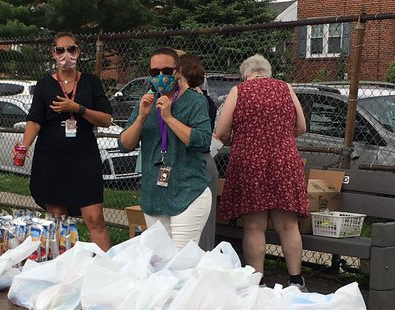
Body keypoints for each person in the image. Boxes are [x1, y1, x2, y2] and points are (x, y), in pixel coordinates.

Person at [214, 54, 309, 287]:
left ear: (245, 74)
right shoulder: (286, 88)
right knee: (288, 225)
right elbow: (302, 126)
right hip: (284, 161)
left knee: (254, 226)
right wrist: (281, 139)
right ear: (268, 72)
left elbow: (222, 132)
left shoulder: (239, 91)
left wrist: (239, 141)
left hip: (249, 163)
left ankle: (258, 283)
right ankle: (296, 281)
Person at [15, 31, 113, 250]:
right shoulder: (44, 84)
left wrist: (77, 108)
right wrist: (24, 146)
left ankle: (109, 269)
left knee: (94, 217)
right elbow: (35, 119)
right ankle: (62, 268)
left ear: (78, 52)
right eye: (61, 50)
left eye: (71, 49)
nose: (66, 54)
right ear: (54, 54)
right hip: (52, 158)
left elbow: (106, 119)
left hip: (84, 159)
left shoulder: (91, 82)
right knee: (58, 219)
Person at [118, 48, 212, 249]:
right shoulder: (146, 102)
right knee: (159, 260)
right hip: (155, 194)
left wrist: (168, 117)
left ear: (177, 71)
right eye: (155, 72)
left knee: (180, 261)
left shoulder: (195, 101)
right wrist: (142, 117)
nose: (161, 77)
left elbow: (202, 140)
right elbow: (124, 144)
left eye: (166, 71)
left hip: (188, 191)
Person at [176, 53, 220, 250]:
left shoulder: (196, 101)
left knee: (196, 230)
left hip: (194, 164)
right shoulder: (207, 100)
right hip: (200, 162)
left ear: (180, 73)